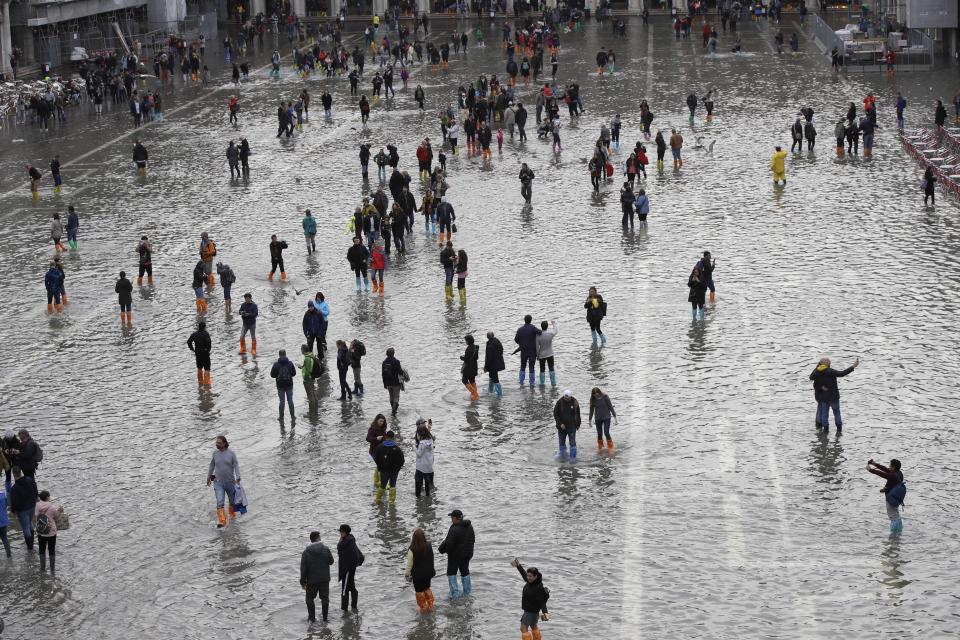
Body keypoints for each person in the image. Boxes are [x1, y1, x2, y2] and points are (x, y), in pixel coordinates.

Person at [809, 357, 859, 432]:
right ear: (827, 364)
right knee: (837, 413)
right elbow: (842, 373)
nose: (830, 363)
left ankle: (825, 431)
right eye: (829, 362)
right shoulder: (830, 371)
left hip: (823, 398)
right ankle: (839, 430)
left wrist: (821, 387)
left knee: (824, 415)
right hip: (833, 397)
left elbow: (812, 378)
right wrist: (853, 366)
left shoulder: (816, 372)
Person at [438, 509, 475, 598]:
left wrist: (443, 550)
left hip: (455, 555)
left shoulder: (454, 529)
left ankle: (454, 594)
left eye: (452, 517)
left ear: (455, 518)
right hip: (467, 554)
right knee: (465, 571)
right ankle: (467, 593)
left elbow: (449, 545)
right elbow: (473, 540)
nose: (451, 519)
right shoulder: (470, 526)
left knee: (451, 573)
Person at [510, 558, 550, 640]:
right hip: (534, 612)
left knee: (523, 628)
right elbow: (524, 576)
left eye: (530, 576)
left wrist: (545, 612)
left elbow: (541, 601)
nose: (528, 578)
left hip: (530, 612)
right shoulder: (532, 581)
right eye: (528, 575)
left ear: (535, 576)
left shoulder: (538, 588)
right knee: (533, 626)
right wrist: (518, 566)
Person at [206, 435, 240, 528]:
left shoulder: (231, 454)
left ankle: (232, 517)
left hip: (230, 482)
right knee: (220, 501)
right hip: (218, 482)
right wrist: (208, 477)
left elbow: (236, 465)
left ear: (225, 443)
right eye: (216, 443)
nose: (217, 444)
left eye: (219, 443)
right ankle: (222, 521)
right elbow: (212, 465)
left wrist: (238, 477)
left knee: (232, 502)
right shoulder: (215, 453)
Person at [300, 531, 335, 622]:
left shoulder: (306, 552)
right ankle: (325, 619)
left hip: (311, 581)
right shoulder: (325, 549)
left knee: (309, 599)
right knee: (325, 598)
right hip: (324, 579)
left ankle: (312, 619)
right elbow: (331, 562)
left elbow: (303, 569)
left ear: (311, 540)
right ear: (318, 538)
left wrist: (303, 582)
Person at [867, 458, 906, 533]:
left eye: (890, 465)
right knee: (896, 515)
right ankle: (899, 532)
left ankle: (894, 536)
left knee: (892, 517)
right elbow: (885, 469)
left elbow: (882, 474)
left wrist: (870, 470)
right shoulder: (899, 473)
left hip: (891, 499)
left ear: (893, 467)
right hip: (896, 499)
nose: (889, 466)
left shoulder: (893, 476)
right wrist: (874, 464)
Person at [406, 528, 437, 614]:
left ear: (414, 538)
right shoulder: (429, 545)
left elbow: (409, 564)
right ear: (423, 536)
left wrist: (407, 574)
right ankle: (431, 606)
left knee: (419, 592)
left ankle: (423, 608)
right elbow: (432, 559)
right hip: (428, 574)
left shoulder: (412, 549)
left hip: (417, 576)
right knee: (427, 589)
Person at [35, 489, 63, 572]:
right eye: (49, 496)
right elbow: (57, 517)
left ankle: (42, 568)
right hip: (51, 532)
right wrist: (60, 510)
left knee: (41, 550)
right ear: (47, 497)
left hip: (41, 531)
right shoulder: (52, 507)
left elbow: (35, 515)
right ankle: (52, 569)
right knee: (51, 550)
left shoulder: (36, 505)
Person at [9, 467, 37, 549]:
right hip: (32, 506)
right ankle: (32, 543)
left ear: (13, 474)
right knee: (30, 523)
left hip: (23, 510)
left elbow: (15, 502)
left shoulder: (14, 488)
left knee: (25, 527)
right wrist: (35, 500)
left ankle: (30, 548)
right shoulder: (29, 479)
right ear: (21, 472)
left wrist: (13, 511)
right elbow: (35, 490)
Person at [373, 430, 404, 504]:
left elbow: (376, 459)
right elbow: (402, 460)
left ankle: (378, 499)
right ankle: (391, 502)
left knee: (383, 485)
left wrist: (380, 468)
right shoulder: (397, 448)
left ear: (386, 437)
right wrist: (398, 469)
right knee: (392, 485)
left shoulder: (380, 447)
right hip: (394, 471)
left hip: (384, 471)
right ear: (393, 438)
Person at [337, 524, 363, 611]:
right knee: (351, 586)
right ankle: (354, 607)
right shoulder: (350, 540)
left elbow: (344, 554)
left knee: (344, 589)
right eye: (340, 531)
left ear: (346, 532)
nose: (340, 533)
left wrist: (340, 543)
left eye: (342, 531)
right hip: (350, 568)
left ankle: (344, 610)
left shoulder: (346, 543)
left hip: (347, 569)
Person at [515, 314, 542, 386]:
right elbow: (540, 332)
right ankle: (532, 383)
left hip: (523, 351)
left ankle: (521, 382)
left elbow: (516, 340)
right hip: (532, 351)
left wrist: (521, 344)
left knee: (522, 366)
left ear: (524, 320)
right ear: (531, 320)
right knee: (531, 367)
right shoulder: (532, 328)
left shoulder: (520, 329)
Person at [553, 390, 581, 460]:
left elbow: (578, 414)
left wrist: (578, 424)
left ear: (570, 397)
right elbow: (555, 414)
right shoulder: (559, 402)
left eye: (567, 398)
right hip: (561, 427)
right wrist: (560, 424)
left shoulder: (575, 402)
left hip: (572, 426)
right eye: (565, 397)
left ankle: (573, 457)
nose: (566, 399)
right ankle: (563, 456)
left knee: (572, 442)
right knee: (561, 442)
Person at [271, 349, 297, 420]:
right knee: (290, 400)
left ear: (279, 355)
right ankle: (293, 416)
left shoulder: (276, 364)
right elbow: (294, 373)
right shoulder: (290, 363)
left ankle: (281, 417)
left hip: (280, 386)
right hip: (289, 385)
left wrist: (277, 375)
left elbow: (272, 375)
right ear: (285, 354)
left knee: (282, 401)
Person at [382, 347, 406, 417]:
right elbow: (400, 372)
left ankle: (393, 410)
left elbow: (383, 374)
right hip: (396, 383)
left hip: (388, 383)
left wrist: (384, 384)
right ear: (393, 353)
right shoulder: (396, 362)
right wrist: (404, 372)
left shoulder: (384, 362)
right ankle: (393, 412)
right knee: (396, 397)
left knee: (391, 397)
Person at [414, 419, 435, 498]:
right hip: (429, 465)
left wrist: (414, 448)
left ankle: (418, 497)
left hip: (421, 466)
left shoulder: (422, 443)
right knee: (427, 481)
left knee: (418, 480)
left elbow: (419, 453)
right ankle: (427, 495)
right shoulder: (430, 440)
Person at [188, 321, 213, 386]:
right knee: (207, 368)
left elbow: (188, 341)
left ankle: (200, 382)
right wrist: (208, 350)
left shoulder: (194, 334)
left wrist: (192, 349)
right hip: (205, 353)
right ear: (204, 327)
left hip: (197, 353)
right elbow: (209, 344)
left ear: (198, 327)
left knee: (199, 368)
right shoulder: (206, 334)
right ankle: (207, 384)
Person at [536, 320, 558, 387]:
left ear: (541, 327)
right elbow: (556, 331)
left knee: (542, 370)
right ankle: (553, 383)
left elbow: (537, 347)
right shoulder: (550, 334)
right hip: (550, 354)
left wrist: (537, 355)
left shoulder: (538, 336)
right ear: (547, 327)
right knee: (551, 368)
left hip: (542, 355)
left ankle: (542, 384)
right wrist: (554, 323)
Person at [460, 335, 480, 400]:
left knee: (464, 380)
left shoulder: (469, 348)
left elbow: (466, 359)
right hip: (474, 366)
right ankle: (474, 395)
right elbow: (476, 357)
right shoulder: (476, 347)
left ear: (468, 341)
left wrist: (462, 358)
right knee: (472, 380)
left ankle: (475, 393)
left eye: (465, 340)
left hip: (468, 367)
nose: (465, 342)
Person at [0, 482, 10, 557]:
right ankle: (9, 555)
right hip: (3, 521)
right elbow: (7, 504)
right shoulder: (3, 495)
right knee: (5, 538)